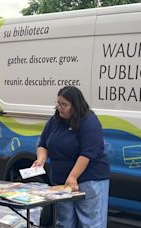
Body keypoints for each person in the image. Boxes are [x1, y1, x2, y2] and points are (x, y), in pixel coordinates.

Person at [32, 86, 110, 228]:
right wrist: (41, 160)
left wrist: (73, 176)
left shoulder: (89, 121)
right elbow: (43, 144)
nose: (60, 108)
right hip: (61, 182)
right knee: (64, 222)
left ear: (75, 105)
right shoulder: (55, 120)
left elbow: (87, 153)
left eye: (64, 105)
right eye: (58, 104)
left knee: (90, 223)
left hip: (88, 179)